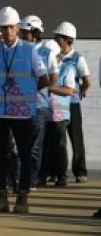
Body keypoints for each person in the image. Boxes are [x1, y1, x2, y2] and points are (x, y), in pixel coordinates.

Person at [0, 6, 50, 214]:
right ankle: (1, 199)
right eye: (3, 28)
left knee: (24, 154)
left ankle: (22, 198)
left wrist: (28, 93)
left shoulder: (29, 49)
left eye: (11, 27)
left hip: (22, 112)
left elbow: (44, 78)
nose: (7, 32)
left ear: (18, 28)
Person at [42, 23, 81, 186]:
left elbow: (70, 90)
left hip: (59, 115)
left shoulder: (67, 68)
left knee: (60, 146)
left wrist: (49, 87)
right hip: (44, 114)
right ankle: (43, 175)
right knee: (45, 146)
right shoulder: (43, 70)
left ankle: (61, 177)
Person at [20, 15, 56, 191]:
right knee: (19, 145)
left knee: (34, 146)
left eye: (25, 32)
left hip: (39, 105)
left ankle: (32, 180)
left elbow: (52, 78)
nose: (21, 35)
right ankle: (18, 178)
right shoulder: (19, 51)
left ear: (35, 33)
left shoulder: (47, 53)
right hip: (19, 106)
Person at [58, 22, 91, 183]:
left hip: (72, 104)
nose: (56, 39)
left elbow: (87, 81)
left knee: (76, 138)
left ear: (67, 39)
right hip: (56, 105)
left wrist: (80, 91)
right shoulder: (54, 56)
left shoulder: (78, 58)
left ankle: (80, 171)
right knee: (57, 139)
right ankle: (56, 171)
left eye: (59, 37)